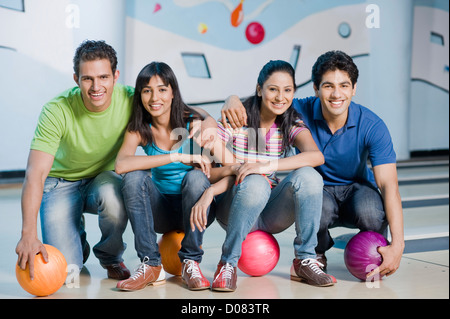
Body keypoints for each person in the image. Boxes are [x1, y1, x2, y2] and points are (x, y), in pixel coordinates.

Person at [222, 51, 405, 279]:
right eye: (328, 86)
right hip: (318, 191)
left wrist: (398, 245)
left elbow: (389, 186)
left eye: (344, 86)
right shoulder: (296, 110)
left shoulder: (372, 125)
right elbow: (268, 99)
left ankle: (375, 248)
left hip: (357, 189)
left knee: (371, 211)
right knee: (315, 199)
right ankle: (316, 252)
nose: (336, 94)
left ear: (354, 88)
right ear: (316, 89)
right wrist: (231, 98)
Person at [194, 60, 336, 292]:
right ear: (260, 89)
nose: (281, 97)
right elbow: (206, 172)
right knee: (256, 182)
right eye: (273, 89)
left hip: (271, 212)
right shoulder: (237, 118)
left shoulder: (290, 122)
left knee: (309, 176)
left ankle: (305, 258)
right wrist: (234, 171)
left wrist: (265, 165)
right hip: (235, 205)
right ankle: (227, 263)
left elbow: (316, 156)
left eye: (287, 90)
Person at [15, 40, 134, 281]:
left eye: (103, 77)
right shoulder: (56, 110)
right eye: (87, 78)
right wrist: (28, 233)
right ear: (75, 79)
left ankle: (110, 257)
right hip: (60, 183)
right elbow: (35, 173)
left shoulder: (131, 99)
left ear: (115, 76)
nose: (96, 86)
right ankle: (77, 244)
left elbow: (179, 110)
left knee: (114, 195)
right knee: (67, 271)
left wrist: (226, 105)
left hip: (102, 179)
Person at [114, 62, 224, 291]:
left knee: (195, 178)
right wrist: (176, 157)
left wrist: (210, 122)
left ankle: (191, 261)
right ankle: (150, 264)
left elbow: (206, 116)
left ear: (173, 91)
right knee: (133, 178)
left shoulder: (193, 122)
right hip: (161, 211)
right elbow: (121, 165)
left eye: (162, 89)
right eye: (147, 90)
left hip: (195, 208)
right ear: (140, 95)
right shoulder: (140, 128)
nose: (155, 97)